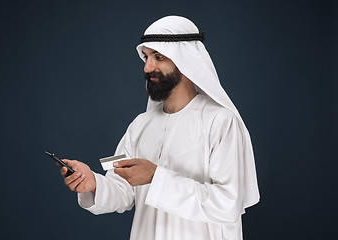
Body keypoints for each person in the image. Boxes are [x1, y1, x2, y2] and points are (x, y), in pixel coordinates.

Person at [59, 16, 260, 240]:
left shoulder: (221, 122)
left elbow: (226, 204)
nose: (148, 67)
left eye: (158, 57)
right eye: (146, 57)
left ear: (185, 60)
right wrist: (94, 183)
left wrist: (156, 177)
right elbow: (122, 188)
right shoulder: (140, 125)